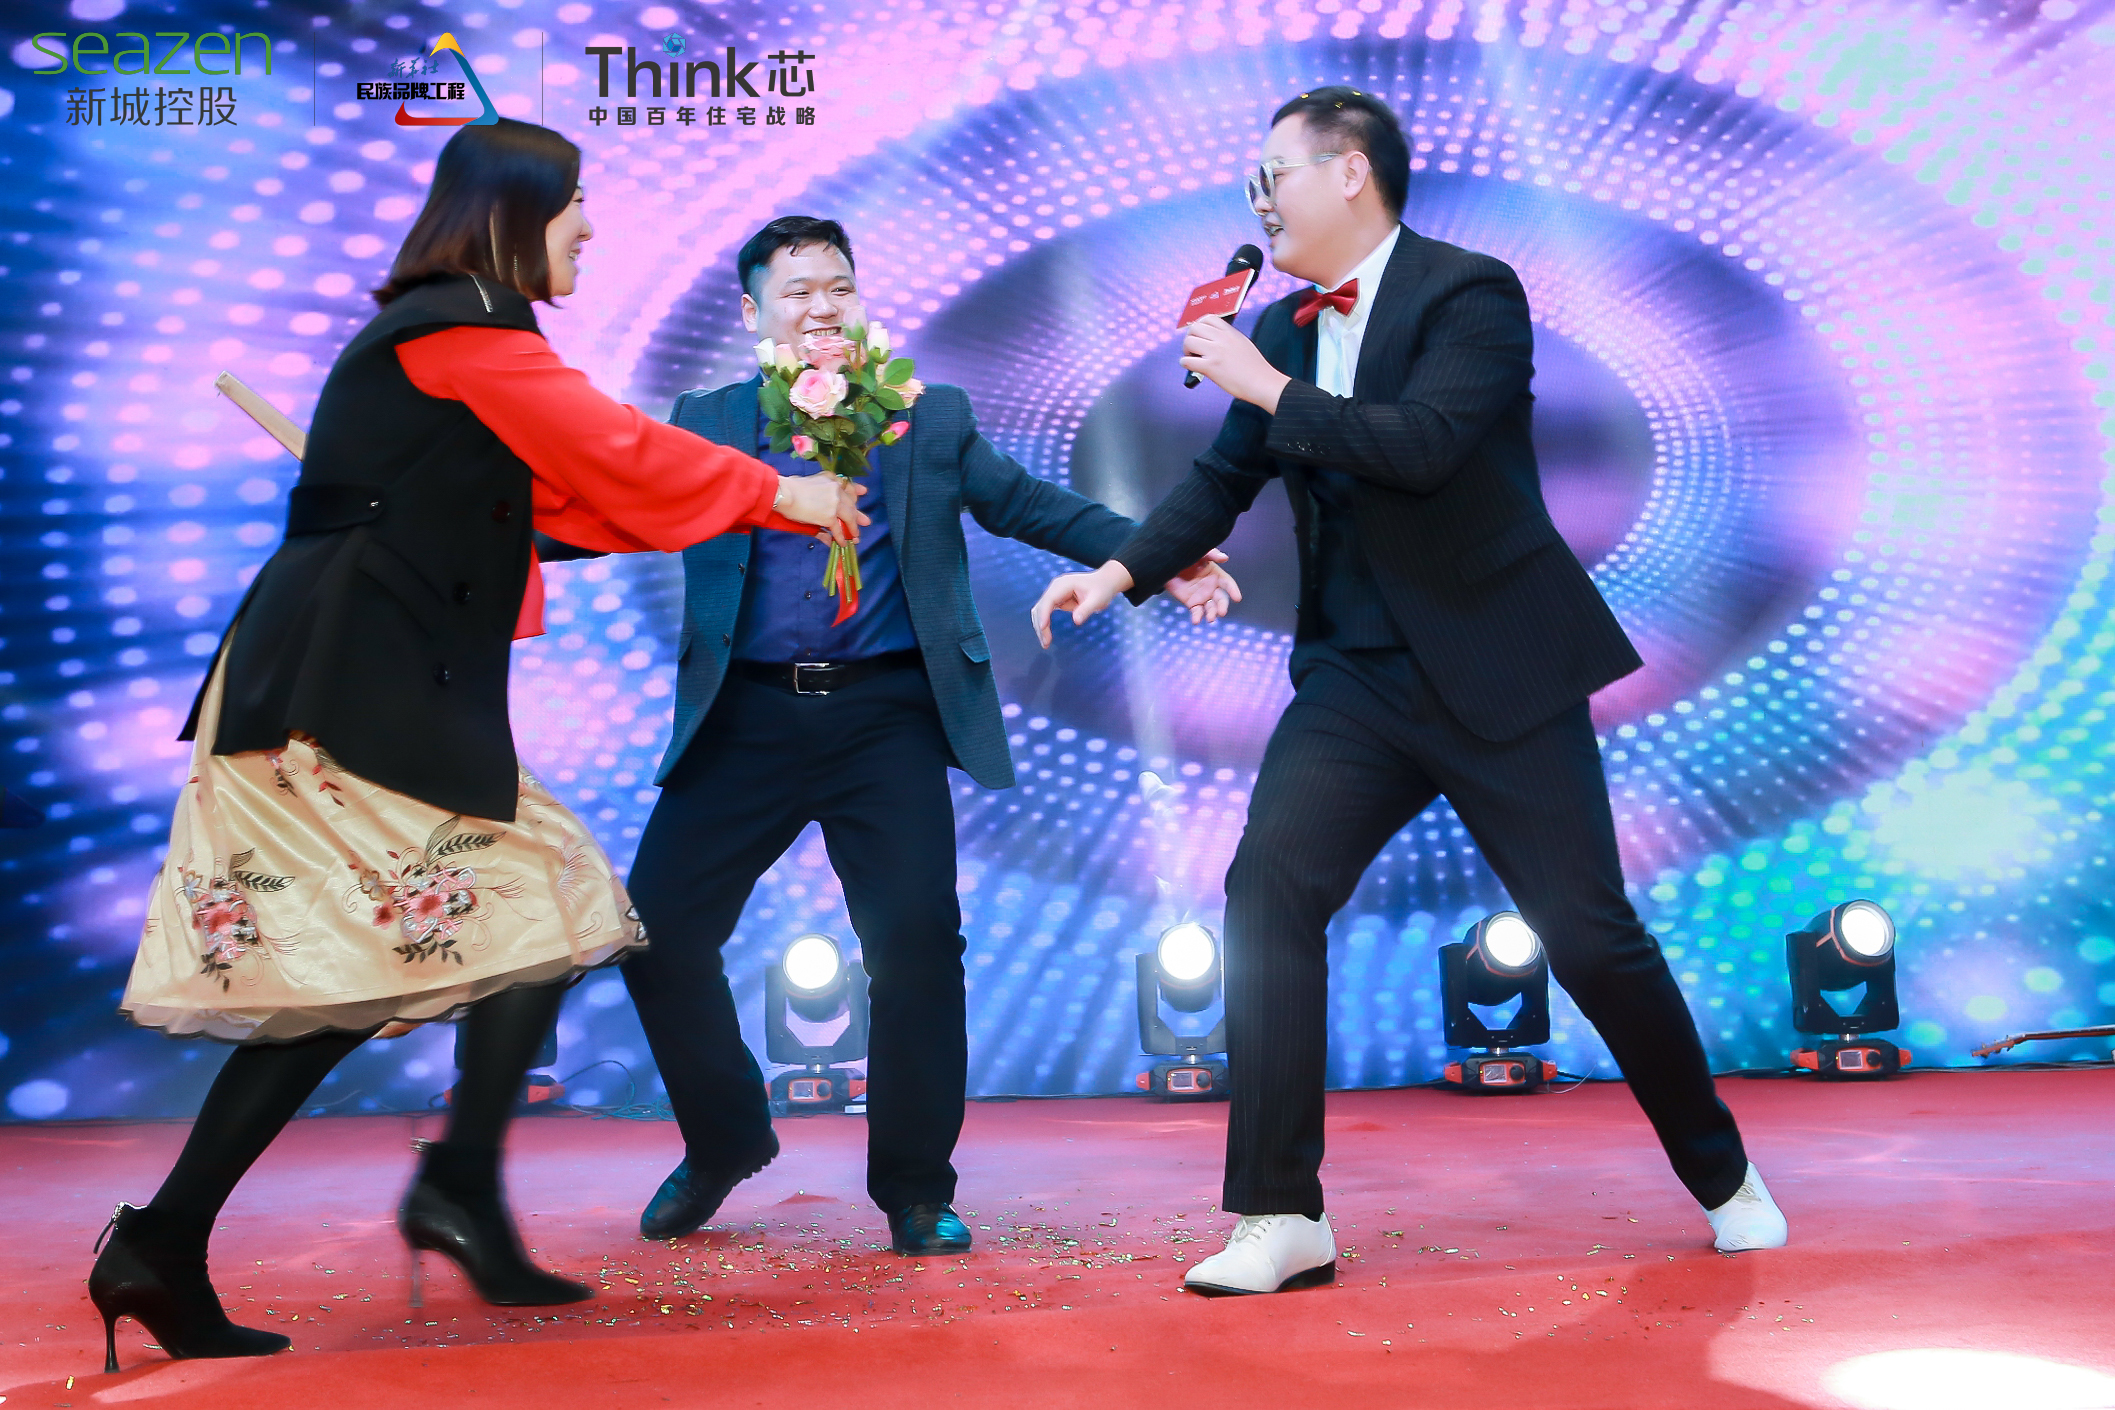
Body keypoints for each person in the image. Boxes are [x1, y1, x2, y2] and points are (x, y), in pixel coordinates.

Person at [88, 120, 862, 1371]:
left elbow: (567, 499)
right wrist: (776, 491)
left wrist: (729, 505)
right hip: (340, 690)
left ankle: (204, 1234)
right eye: (573, 203)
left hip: (374, 683)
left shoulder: (467, 339)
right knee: (529, 904)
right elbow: (612, 449)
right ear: (513, 214)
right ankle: (404, 1196)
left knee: (451, 941)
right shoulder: (463, 330)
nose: (590, 227)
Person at [1031, 88, 1788, 1296]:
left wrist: (1268, 388)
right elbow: (1222, 478)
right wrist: (1118, 571)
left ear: (1350, 172)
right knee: (1269, 886)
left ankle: (1722, 1173)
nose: (1258, 201)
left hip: (1499, 663)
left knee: (1590, 935)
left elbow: (1424, 446)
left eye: (1274, 174)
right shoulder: (1279, 334)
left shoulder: (1469, 293)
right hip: (1356, 675)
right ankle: (1281, 1212)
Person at [609, 216, 1237, 1256]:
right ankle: (724, 1140)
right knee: (656, 934)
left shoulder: (923, 416)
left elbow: (1028, 504)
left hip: (884, 718)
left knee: (915, 951)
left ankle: (912, 1186)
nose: (822, 307)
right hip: (745, 715)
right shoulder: (707, 421)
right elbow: (621, 506)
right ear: (754, 312)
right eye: (798, 291)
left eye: (839, 287)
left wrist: (1157, 556)